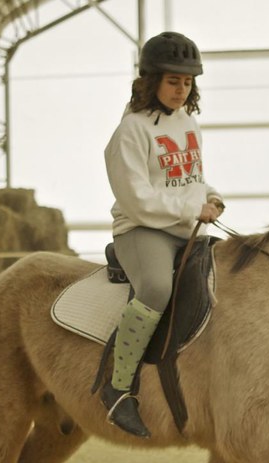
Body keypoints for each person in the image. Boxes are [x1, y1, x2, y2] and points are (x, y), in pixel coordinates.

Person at [100, 31, 224, 437]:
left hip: (185, 227)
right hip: (142, 229)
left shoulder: (189, 123)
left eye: (187, 82)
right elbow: (138, 200)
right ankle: (117, 388)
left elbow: (189, 179)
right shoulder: (130, 132)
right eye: (173, 81)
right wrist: (193, 207)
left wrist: (210, 195)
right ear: (150, 81)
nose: (181, 90)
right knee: (155, 288)